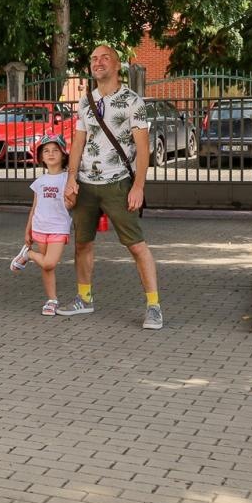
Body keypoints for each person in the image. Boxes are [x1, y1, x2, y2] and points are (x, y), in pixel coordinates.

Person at [62, 45, 164, 329]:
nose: (98, 62)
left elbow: (143, 149)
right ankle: (84, 298)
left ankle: (154, 306)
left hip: (118, 183)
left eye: (104, 57)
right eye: (94, 58)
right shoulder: (86, 101)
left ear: (118, 65)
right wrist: (71, 178)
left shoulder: (133, 102)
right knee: (82, 243)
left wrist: (138, 187)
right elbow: (78, 142)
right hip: (85, 184)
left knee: (136, 246)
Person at [10, 135, 72, 314]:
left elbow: (72, 202)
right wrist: (27, 230)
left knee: (49, 263)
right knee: (47, 267)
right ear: (41, 158)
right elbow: (34, 208)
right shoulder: (40, 182)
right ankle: (51, 300)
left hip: (58, 228)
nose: (51, 154)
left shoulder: (68, 178)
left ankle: (28, 255)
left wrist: (70, 202)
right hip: (39, 227)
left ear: (63, 155)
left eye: (55, 150)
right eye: (46, 151)